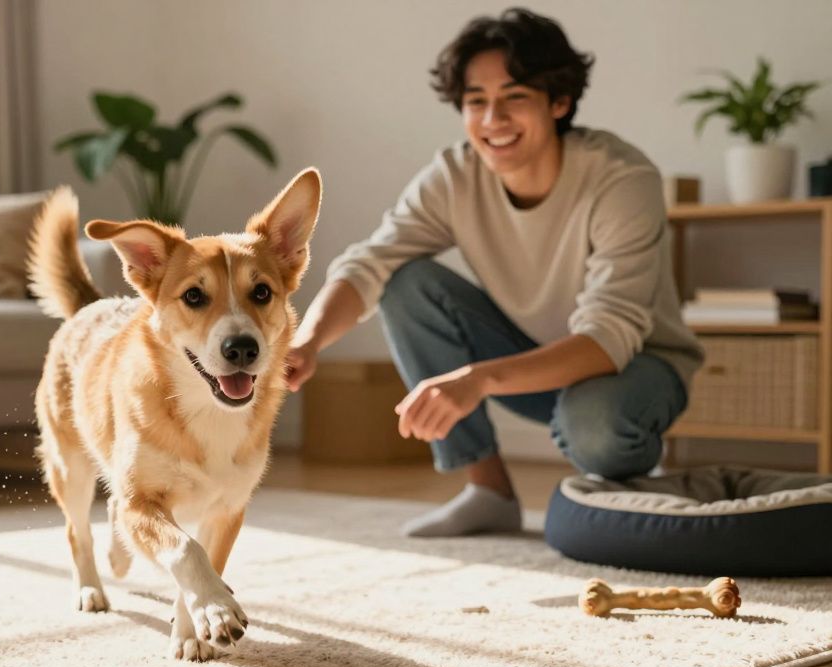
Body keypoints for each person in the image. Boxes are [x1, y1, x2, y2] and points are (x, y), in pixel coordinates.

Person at [284, 7, 703, 537]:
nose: (492, 120)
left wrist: (478, 379)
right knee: (405, 282)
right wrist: (308, 341)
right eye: (475, 102)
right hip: (529, 358)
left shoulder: (622, 180)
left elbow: (608, 337)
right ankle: (489, 490)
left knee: (594, 426)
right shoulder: (455, 176)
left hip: (634, 368)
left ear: (559, 102)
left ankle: (623, 478)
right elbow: (370, 263)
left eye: (514, 98)